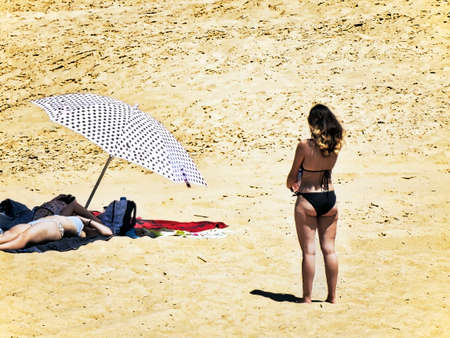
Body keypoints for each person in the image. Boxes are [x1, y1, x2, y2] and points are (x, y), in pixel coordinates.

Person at [286, 104, 344, 304]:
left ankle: (307, 297)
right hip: (329, 197)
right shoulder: (336, 146)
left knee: (309, 251)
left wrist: (293, 184)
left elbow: (292, 177)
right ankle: (332, 297)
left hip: (309, 198)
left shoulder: (304, 145)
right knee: (330, 249)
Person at [0, 215, 112, 251]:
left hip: (54, 227)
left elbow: (108, 233)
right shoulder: (72, 217)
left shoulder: (83, 232)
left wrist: (89, 221)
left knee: (23, 238)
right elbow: (72, 204)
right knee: (7, 235)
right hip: (34, 223)